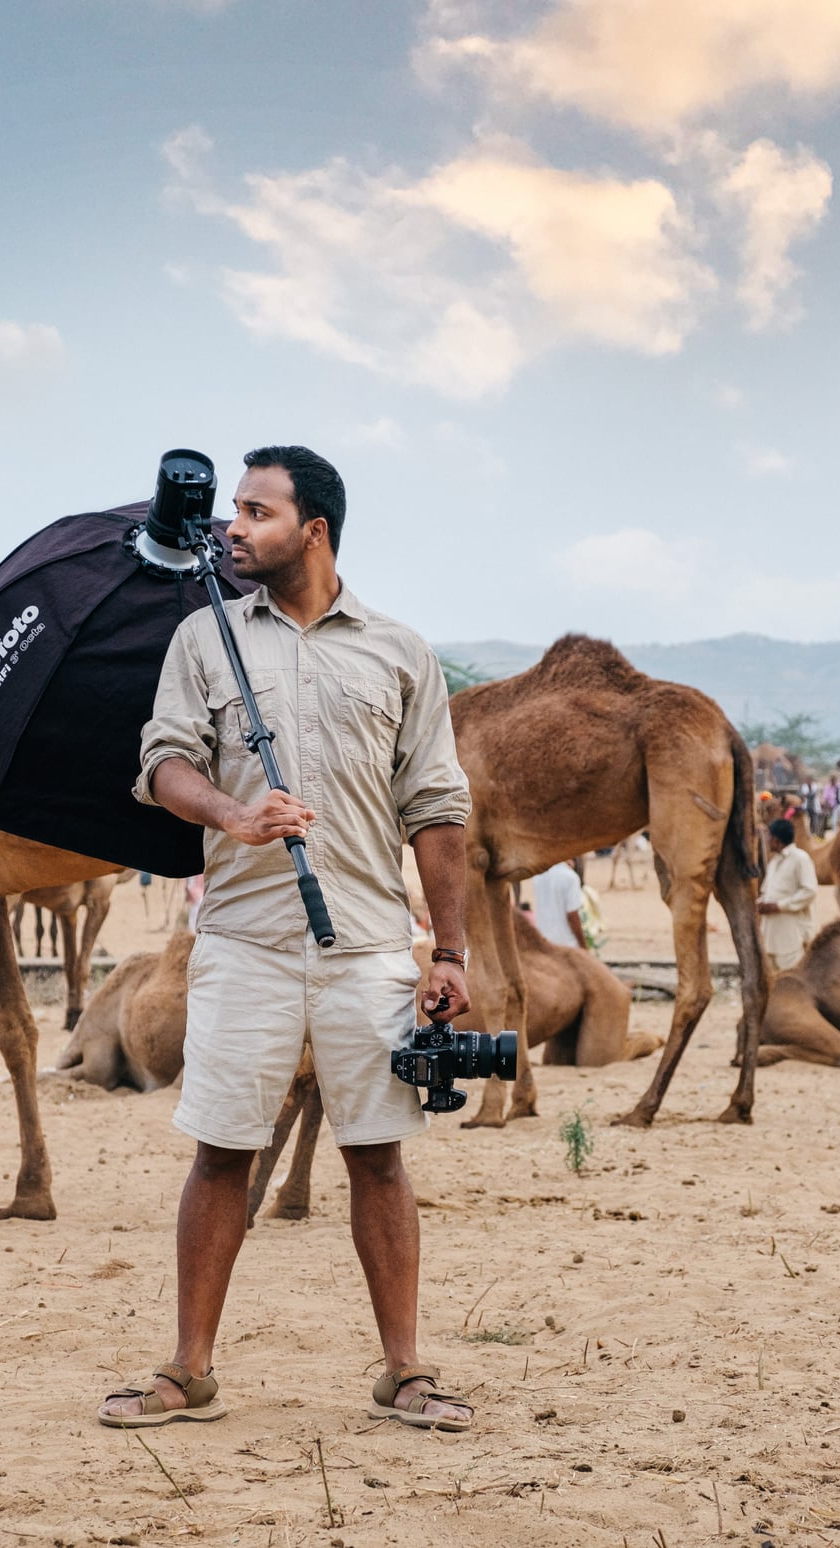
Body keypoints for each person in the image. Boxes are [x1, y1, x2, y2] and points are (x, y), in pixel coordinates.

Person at [99, 444, 475, 1433]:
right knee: (222, 1152)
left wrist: (449, 953)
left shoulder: (400, 652)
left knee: (379, 1156)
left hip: (368, 946)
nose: (234, 526)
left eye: (257, 512)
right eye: (233, 510)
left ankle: (405, 1372)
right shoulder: (204, 638)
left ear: (313, 532)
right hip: (244, 944)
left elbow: (437, 806)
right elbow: (163, 763)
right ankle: (188, 1371)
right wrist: (234, 814)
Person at [757, 816, 818, 972]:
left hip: (791, 939)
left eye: (769, 836)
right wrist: (760, 904)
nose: (767, 840)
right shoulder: (774, 863)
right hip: (771, 937)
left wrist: (780, 906)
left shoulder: (800, 859)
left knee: (792, 981)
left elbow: (809, 891)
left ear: (776, 840)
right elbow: (767, 893)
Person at [530, 861, 590, 951]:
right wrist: (583, 946)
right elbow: (573, 916)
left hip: (544, 941)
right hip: (566, 944)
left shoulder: (538, 876)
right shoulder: (570, 877)